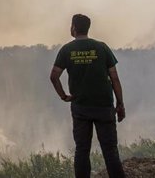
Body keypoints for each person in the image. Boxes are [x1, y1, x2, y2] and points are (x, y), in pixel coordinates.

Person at [50, 14, 126, 178]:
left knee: (82, 150)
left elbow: (54, 76)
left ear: (74, 28)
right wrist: (120, 104)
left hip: (81, 107)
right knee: (110, 150)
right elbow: (114, 78)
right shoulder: (102, 47)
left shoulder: (67, 50)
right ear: (87, 28)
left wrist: (64, 96)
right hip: (104, 107)